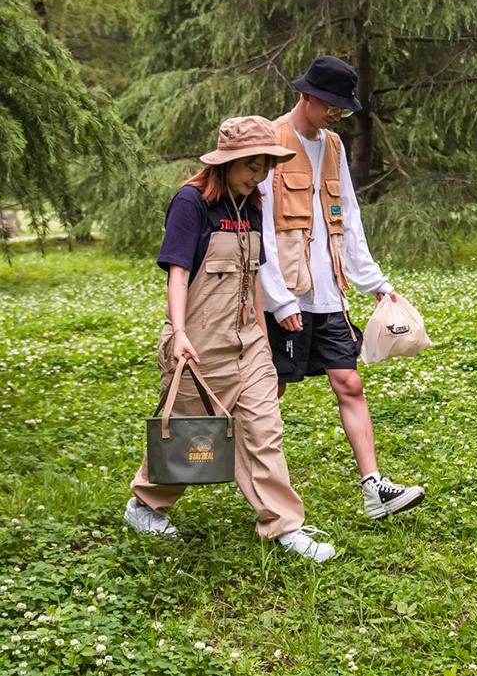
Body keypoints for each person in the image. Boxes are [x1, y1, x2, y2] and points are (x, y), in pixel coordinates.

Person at [124, 115, 335, 562]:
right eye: (251, 166)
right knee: (190, 437)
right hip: (198, 345)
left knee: (265, 431)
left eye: (265, 167)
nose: (258, 175)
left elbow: (253, 277)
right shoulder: (191, 202)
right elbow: (178, 274)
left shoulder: (253, 205)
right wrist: (179, 335)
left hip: (248, 343)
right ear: (226, 162)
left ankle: (284, 526)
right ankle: (146, 505)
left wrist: (264, 340)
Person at [259, 55, 426, 520]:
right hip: (286, 295)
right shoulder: (271, 139)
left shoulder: (333, 146)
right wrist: (279, 300)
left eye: (343, 107)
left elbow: (348, 218)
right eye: (331, 104)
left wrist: (375, 283)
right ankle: (225, 473)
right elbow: (262, 229)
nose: (337, 113)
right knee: (270, 391)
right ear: (306, 95)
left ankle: (374, 489)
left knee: (349, 383)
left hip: (328, 293)